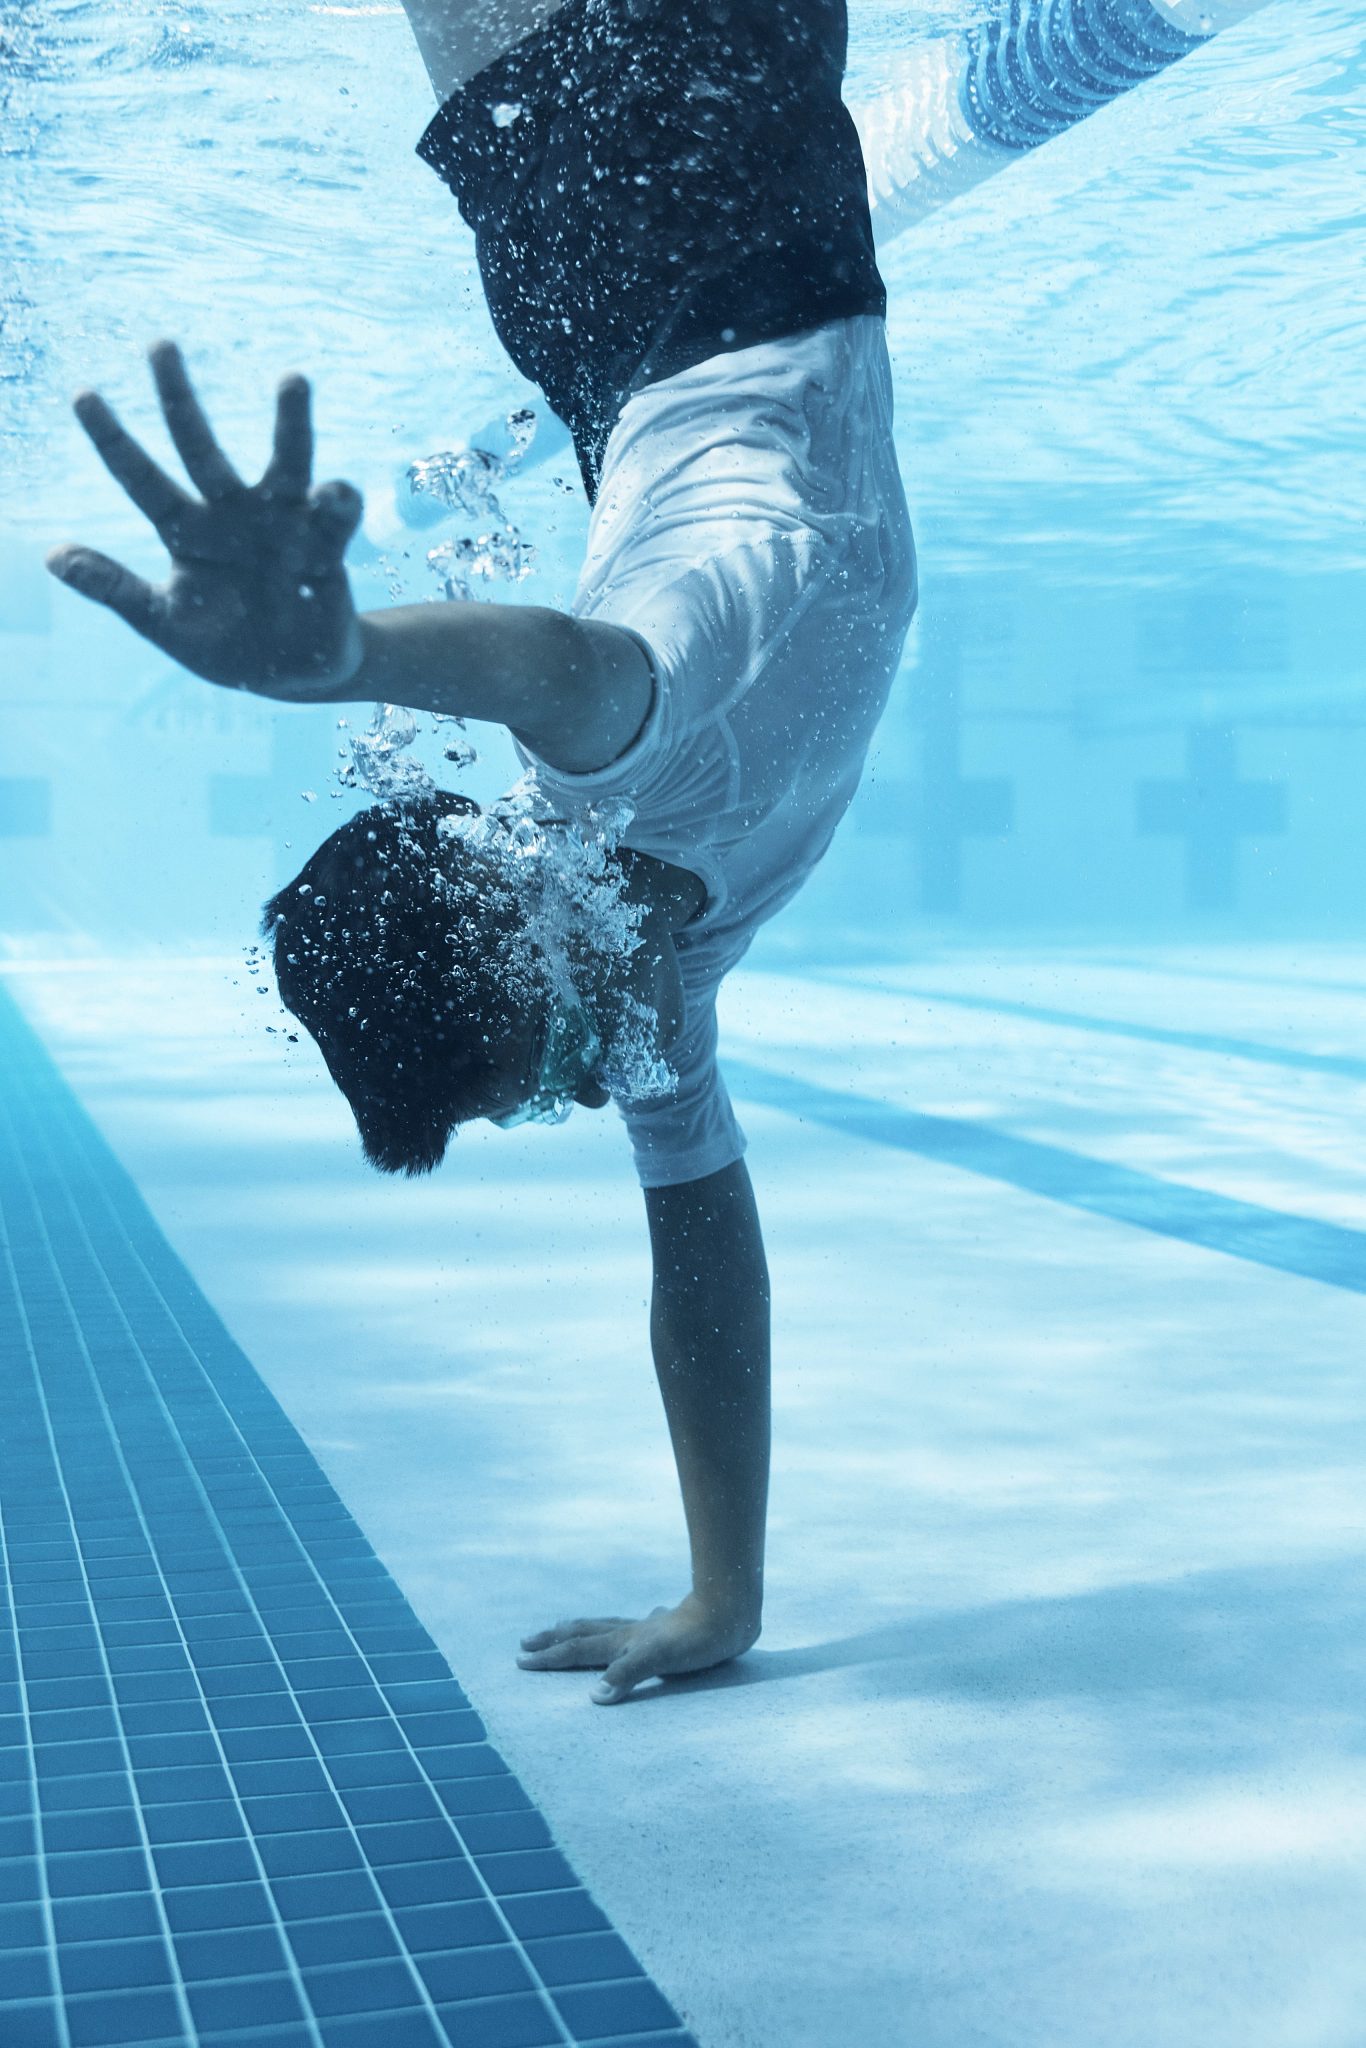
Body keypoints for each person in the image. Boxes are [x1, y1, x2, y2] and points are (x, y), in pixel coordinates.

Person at [45, 0, 917, 1704]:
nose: (590, 1099)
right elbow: (701, 1267)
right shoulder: (648, 968)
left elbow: (563, 672)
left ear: (530, 920)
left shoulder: (642, 754)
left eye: (540, 1078)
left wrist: (354, 660)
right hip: (620, 295)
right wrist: (720, 1594)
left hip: (702, 189)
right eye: (541, 1107)